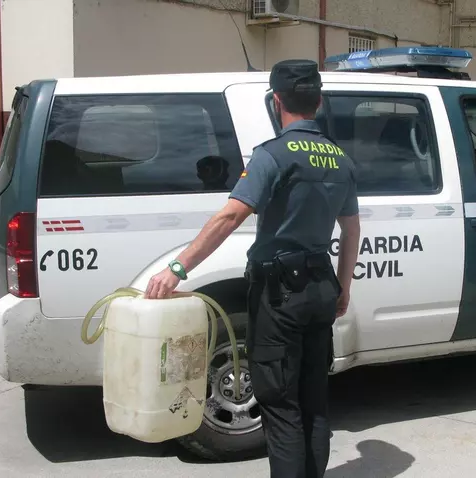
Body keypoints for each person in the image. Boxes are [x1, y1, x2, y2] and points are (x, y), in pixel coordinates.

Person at [144, 59, 361, 478]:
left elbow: (230, 216)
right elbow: (351, 230)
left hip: (280, 294)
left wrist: (177, 268)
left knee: (280, 404)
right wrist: (343, 286)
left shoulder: (272, 155)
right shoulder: (341, 159)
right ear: (318, 101)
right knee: (313, 401)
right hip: (321, 287)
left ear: (276, 101)